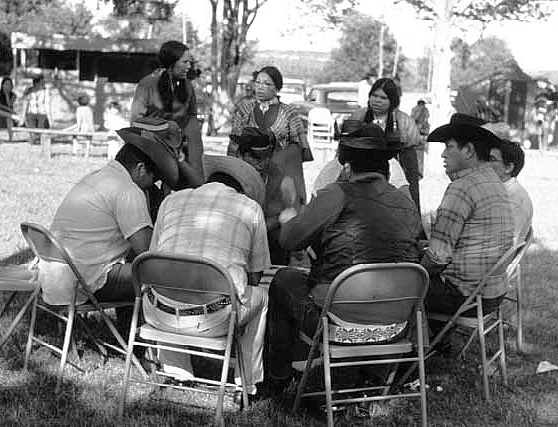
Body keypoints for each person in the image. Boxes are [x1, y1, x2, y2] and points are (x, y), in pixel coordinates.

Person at [265, 123, 422, 389]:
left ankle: (278, 378)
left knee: (282, 280)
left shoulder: (337, 193)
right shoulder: (407, 203)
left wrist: (290, 218)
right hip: (396, 323)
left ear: (347, 168)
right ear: (387, 167)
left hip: (338, 320)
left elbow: (289, 239)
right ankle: (377, 373)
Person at [146, 154, 270, 400]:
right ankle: (245, 385)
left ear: (209, 180)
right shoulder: (250, 208)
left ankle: (175, 371)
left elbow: (153, 257)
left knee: (168, 279)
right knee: (261, 297)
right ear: (242, 190)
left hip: (158, 312)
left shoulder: (172, 201)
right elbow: (256, 274)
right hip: (217, 315)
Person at [46, 126, 179, 330]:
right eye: (152, 179)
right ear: (141, 168)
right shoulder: (128, 190)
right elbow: (147, 251)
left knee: (134, 266)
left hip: (56, 276)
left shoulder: (95, 176)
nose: (150, 185)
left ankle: (129, 329)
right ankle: (153, 339)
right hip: (88, 280)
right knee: (167, 275)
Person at [422, 118, 514, 328]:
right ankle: (433, 342)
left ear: (469, 150)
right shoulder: (493, 179)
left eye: (449, 147)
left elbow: (437, 258)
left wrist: (413, 269)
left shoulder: (462, 187)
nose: (443, 154)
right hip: (493, 293)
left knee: (393, 286)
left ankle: (409, 354)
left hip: (466, 298)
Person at [227, 65, 313, 264]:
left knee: (277, 230)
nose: (260, 87)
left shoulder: (290, 113)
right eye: (257, 82)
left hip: (279, 179)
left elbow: (296, 152)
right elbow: (234, 146)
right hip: (248, 173)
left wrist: (292, 190)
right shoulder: (245, 109)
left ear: (277, 88)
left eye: (267, 84)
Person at [131, 40, 204, 185]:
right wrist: (166, 129)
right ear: (172, 63)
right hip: (151, 140)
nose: (189, 67)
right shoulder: (147, 84)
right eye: (184, 62)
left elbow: (192, 117)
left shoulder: (188, 86)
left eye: (189, 62)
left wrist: (192, 154)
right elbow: (135, 120)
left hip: (181, 143)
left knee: (196, 180)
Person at [347, 77, 422, 211]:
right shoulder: (357, 116)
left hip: (394, 176)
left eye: (383, 98)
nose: (377, 100)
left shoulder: (405, 122)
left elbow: (410, 162)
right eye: (374, 96)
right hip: (360, 174)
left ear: (392, 100)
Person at [487, 138, 533, 244]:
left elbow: (502, 244)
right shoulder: (498, 191)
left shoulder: (515, 200)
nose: (486, 164)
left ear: (508, 167)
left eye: (492, 159)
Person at [24, 75, 51, 144]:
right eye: (42, 82)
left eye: (44, 82)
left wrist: (50, 117)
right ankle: (34, 138)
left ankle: (38, 138)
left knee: (40, 127)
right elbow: (26, 103)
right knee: (31, 124)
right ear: (36, 83)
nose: (43, 84)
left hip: (42, 113)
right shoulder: (29, 90)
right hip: (31, 113)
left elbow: (47, 104)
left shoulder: (46, 91)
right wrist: (24, 115)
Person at [411, 99, 430, 177]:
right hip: (419, 136)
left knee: (418, 156)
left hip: (418, 137)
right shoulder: (422, 110)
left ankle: (418, 172)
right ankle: (418, 172)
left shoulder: (416, 109)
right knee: (419, 156)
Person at [0, 76, 17, 142]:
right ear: (2, 85)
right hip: (3, 113)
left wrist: (7, 94)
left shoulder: (13, 95)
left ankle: (10, 138)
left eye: (9, 84)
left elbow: (10, 105)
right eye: (6, 84)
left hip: (8, 115)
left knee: (9, 119)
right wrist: (11, 111)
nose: (8, 86)